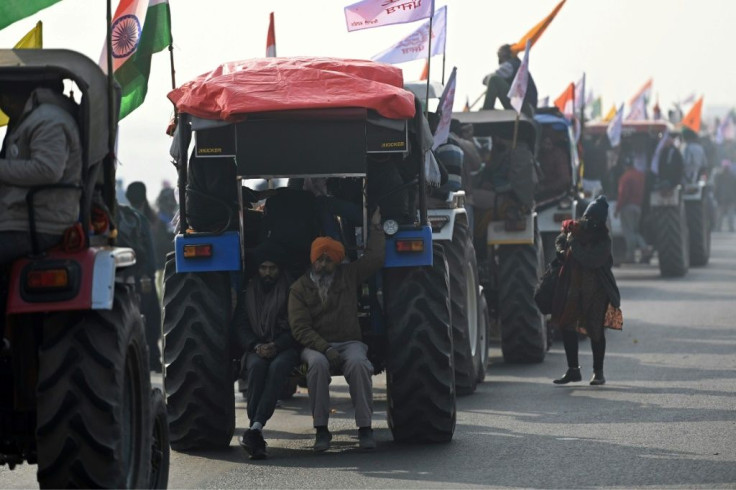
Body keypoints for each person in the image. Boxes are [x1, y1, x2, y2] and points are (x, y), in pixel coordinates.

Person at [288, 208, 385, 452]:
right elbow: (300, 328)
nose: (323, 264)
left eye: (328, 260)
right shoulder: (299, 288)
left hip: (350, 342)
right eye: (319, 259)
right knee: (318, 366)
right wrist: (325, 348)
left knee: (359, 364)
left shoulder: (349, 275)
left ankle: (365, 429)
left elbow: (373, 259)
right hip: (316, 347)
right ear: (312, 260)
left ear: (337, 261)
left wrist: (376, 229)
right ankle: (321, 430)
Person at [0, 80, 82, 265]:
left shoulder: (48, 120)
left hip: (37, 224)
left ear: (7, 100)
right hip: (22, 220)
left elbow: (48, 170)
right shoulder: (31, 120)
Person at [236, 244, 300, 460]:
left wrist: (277, 345)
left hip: (284, 347)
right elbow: (241, 325)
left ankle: (255, 428)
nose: (268, 273)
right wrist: (256, 346)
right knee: (255, 368)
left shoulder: (292, 290)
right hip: (257, 347)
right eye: (263, 268)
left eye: (272, 268)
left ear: (279, 269)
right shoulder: (248, 291)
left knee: (278, 367)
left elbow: (297, 327)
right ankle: (255, 431)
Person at [551, 196, 621, 385]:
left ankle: (598, 372)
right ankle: (573, 370)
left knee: (596, 330)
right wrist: (562, 248)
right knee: (567, 325)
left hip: (597, 291)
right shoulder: (576, 230)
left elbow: (591, 260)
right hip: (574, 288)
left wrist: (573, 245)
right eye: (586, 217)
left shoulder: (603, 240)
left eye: (592, 219)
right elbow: (560, 240)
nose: (587, 222)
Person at [482, 44, 538, 117]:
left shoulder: (511, 65)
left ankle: (486, 112)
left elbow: (487, 79)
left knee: (494, 80)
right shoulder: (519, 65)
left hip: (524, 108)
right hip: (526, 108)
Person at [615, 158, 649, 262]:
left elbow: (622, 194)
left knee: (629, 232)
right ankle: (644, 248)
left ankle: (631, 256)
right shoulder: (641, 176)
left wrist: (617, 208)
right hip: (638, 207)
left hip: (627, 207)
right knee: (634, 231)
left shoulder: (625, 177)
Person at [714, 160, 736, 232]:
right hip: (726, 198)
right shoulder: (731, 176)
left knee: (724, 215)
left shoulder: (719, 176)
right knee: (724, 215)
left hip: (725, 198)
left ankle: (719, 228)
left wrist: (716, 196)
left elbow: (716, 187)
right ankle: (726, 228)